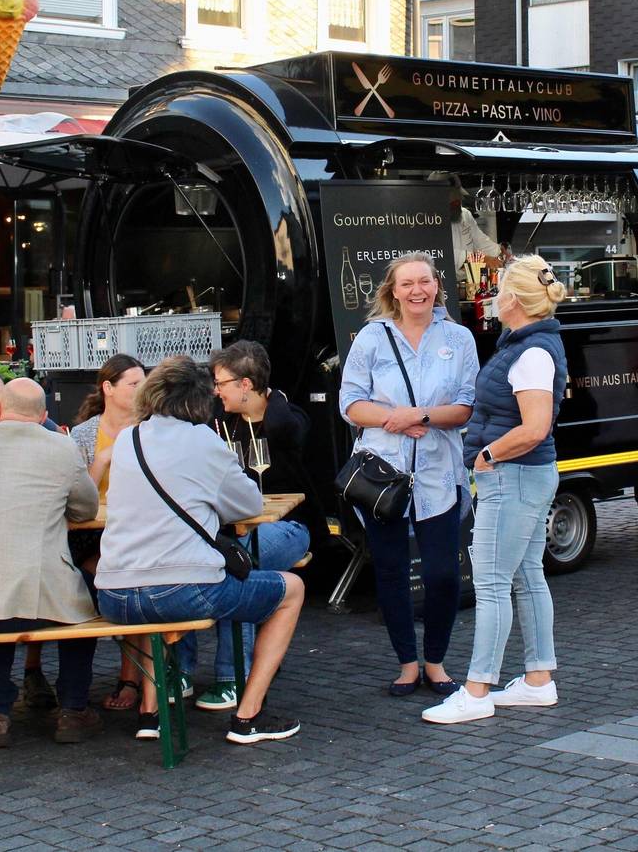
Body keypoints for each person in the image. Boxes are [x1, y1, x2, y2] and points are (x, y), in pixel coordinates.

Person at [95, 357, 305, 744]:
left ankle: (151, 713)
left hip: (114, 594)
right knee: (291, 590)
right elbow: (250, 505)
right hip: (181, 591)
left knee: (152, 600)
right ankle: (248, 716)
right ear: (199, 401)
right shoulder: (204, 440)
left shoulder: (128, 439)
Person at [423, 255, 568, 724]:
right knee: (526, 577)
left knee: (490, 583)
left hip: (513, 475)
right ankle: (538, 680)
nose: (491, 296)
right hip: (523, 474)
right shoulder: (529, 346)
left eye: (500, 288)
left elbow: (535, 426)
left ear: (514, 300)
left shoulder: (530, 353)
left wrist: (487, 457)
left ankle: (477, 690)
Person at [339, 252, 478, 696]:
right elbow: (350, 403)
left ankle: (435, 661)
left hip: (439, 474)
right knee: (392, 571)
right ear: (392, 292)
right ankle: (406, 664)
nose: (417, 290)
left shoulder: (459, 339)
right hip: (383, 477)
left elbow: (467, 406)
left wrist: (421, 415)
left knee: (442, 574)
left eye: (425, 281)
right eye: (406, 284)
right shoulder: (371, 339)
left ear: (437, 286)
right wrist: (393, 419)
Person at [175, 340, 311, 711]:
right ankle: (180, 671)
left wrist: (273, 399)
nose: (216, 391)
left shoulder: (288, 418)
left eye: (222, 383)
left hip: (288, 526)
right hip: (234, 528)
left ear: (246, 385)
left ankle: (232, 676)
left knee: (238, 562)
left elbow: (289, 430)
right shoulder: (219, 424)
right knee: (190, 560)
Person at [0, 378, 100, 748]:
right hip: (46, 594)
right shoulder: (61, 447)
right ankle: (72, 708)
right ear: (45, 415)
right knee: (88, 602)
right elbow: (86, 508)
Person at [65, 354, 146, 710]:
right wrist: (102, 460)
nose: (142, 389)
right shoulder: (84, 434)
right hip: (91, 532)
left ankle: (131, 677)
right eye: (134, 383)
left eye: (145, 382)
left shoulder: (151, 428)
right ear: (109, 388)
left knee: (129, 577)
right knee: (111, 575)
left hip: (137, 529)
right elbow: (77, 500)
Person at [430, 172, 502, 285]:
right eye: (453, 203)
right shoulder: (427, 220)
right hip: (440, 286)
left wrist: (500, 253)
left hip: (466, 284)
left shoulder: (465, 214)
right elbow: (444, 253)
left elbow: (481, 242)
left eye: (459, 200)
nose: (458, 203)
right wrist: (482, 259)